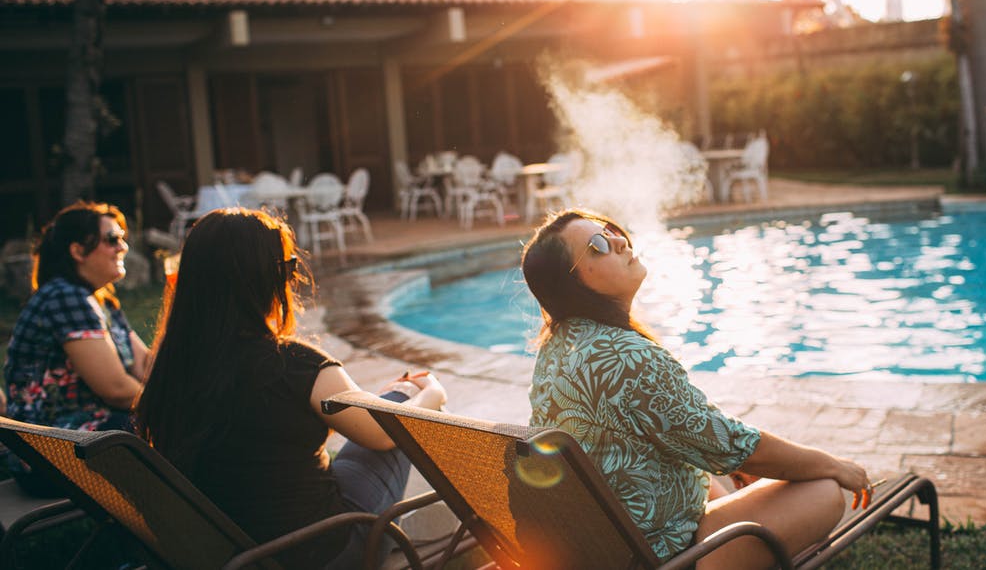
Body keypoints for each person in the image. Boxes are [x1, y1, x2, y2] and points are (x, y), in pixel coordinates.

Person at [521, 209, 874, 570]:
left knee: (712, 467)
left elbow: (694, 432)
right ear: (572, 283)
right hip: (662, 556)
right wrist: (833, 464)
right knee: (823, 491)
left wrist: (735, 459)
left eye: (609, 230)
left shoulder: (558, 345)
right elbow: (736, 444)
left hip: (609, 542)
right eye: (597, 246)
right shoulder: (626, 357)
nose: (617, 240)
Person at [135, 208, 446, 569]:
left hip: (229, 553)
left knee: (390, 403)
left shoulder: (170, 369)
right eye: (288, 267)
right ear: (263, 279)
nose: (293, 277)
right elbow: (383, 433)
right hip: (324, 551)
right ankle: (471, 517)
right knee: (406, 409)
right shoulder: (293, 365)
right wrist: (431, 392)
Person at [3, 201, 148, 496]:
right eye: (111, 239)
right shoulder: (64, 296)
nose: (123, 247)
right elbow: (117, 389)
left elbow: (146, 366)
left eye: (122, 238)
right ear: (78, 251)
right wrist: (176, 410)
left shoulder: (101, 300)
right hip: (49, 454)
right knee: (181, 433)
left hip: (85, 439)